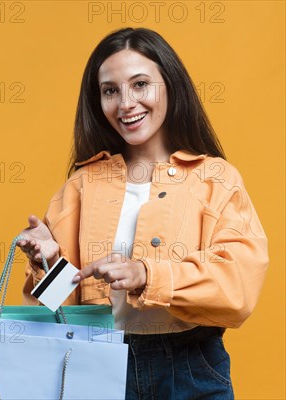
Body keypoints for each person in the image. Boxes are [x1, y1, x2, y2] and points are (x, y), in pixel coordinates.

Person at [17, 27, 269, 400]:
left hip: (191, 367)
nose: (125, 104)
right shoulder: (81, 187)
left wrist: (145, 275)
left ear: (170, 85)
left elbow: (237, 289)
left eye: (140, 85)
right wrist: (51, 263)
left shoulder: (215, 179)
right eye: (110, 91)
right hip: (95, 363)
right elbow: (57, 313)